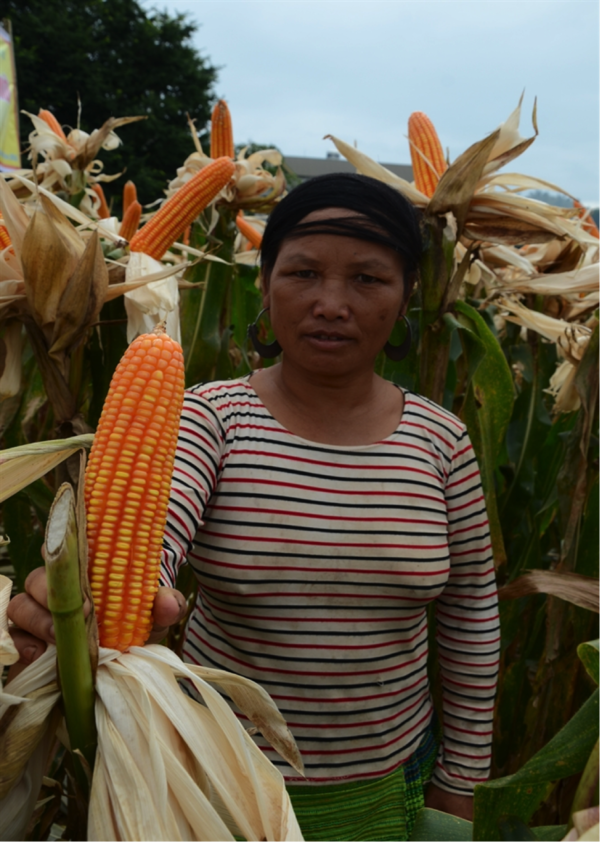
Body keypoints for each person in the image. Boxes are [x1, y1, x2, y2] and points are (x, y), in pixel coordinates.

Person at [8, 174, 499, 842]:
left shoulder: (441, 440)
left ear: (408, 294)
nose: (331, 303)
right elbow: (158, 528)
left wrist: (461, 781)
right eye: (302, 272)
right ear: (264, 284)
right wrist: (80, 598)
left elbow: (471, 617)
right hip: (216, 777)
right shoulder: (212, 418)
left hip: (392, 779)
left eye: (368, 279)